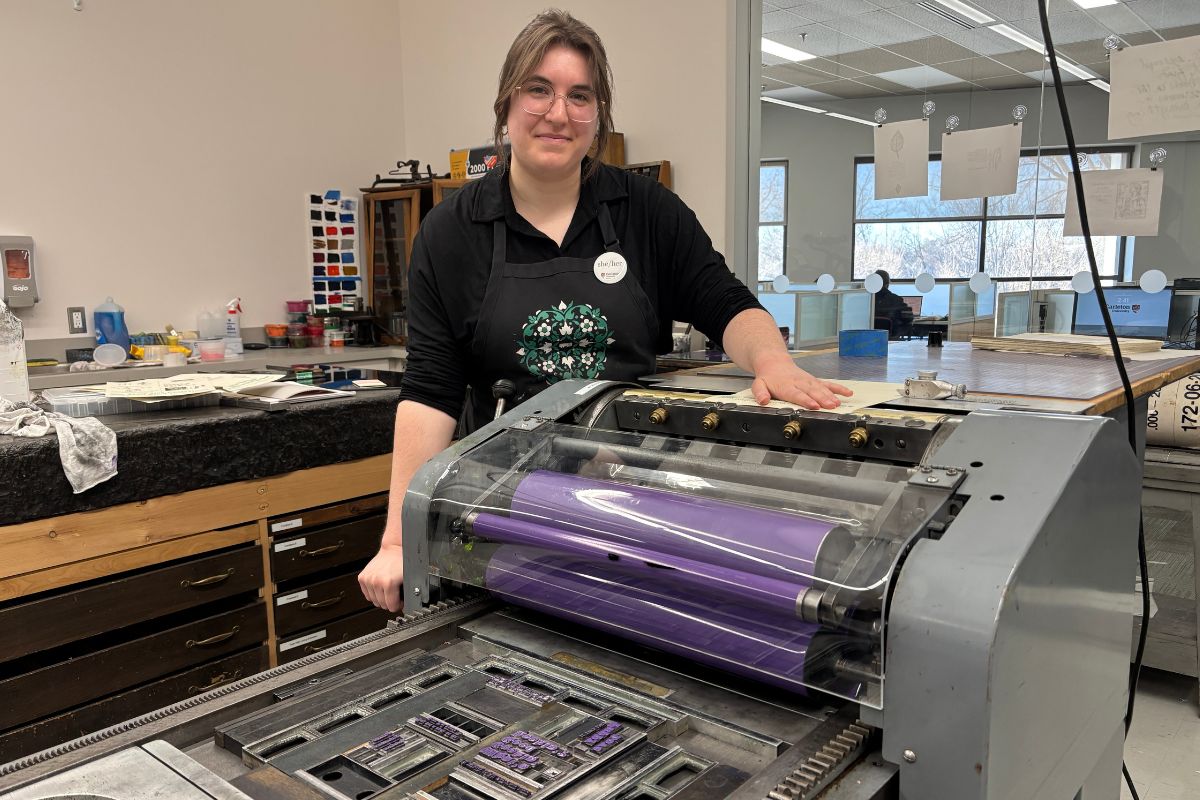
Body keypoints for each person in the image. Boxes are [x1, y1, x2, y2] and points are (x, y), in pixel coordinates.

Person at [359, 10, 851, 613]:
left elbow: (727, 304)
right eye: (538, 89)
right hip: (501, 511)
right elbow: (430, 393)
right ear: (507, 103)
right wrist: (395, 538)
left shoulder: (646, 211)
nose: (557, 113)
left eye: (579, 96)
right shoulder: (450, 231)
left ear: (598, 116)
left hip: (630, 500)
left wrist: (772, 360)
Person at [872, 270, 914, 339]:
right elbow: (909, 318)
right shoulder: (896, 300)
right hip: (891, 340)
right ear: (887, 284)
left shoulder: (866, 300)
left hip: (867, 340)